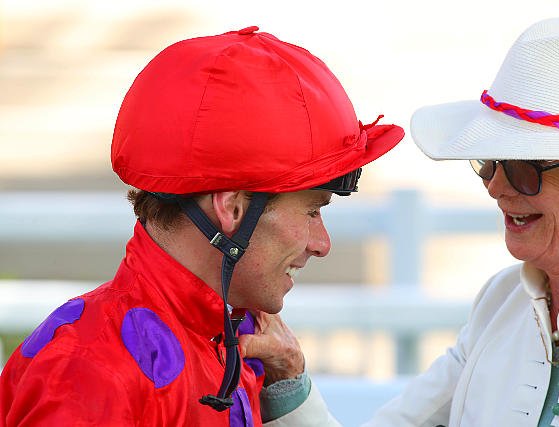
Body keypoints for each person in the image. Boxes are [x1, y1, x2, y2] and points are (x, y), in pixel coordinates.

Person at [244, 17, 559, 427]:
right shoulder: (501, 302)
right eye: (491, 161)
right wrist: (290, 380)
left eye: (526, 167)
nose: (496, 186)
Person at [0, 26, 404, 426]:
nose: (322, 244)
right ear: (232, 209)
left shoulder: (235, 336)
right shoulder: (90, 374)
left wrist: (289, 388)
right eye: (312, 211)